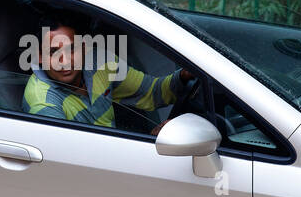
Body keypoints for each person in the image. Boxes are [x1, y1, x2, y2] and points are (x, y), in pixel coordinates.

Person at [22, 16, 195, 131]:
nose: (65, 60)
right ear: (38, 56)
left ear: (84, 48)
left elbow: (151, 92)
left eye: (72, 49)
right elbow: (72, 159)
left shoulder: (100, 62)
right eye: (53, 52)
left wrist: (183, 76)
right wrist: (149, 144)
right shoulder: (42, 102)